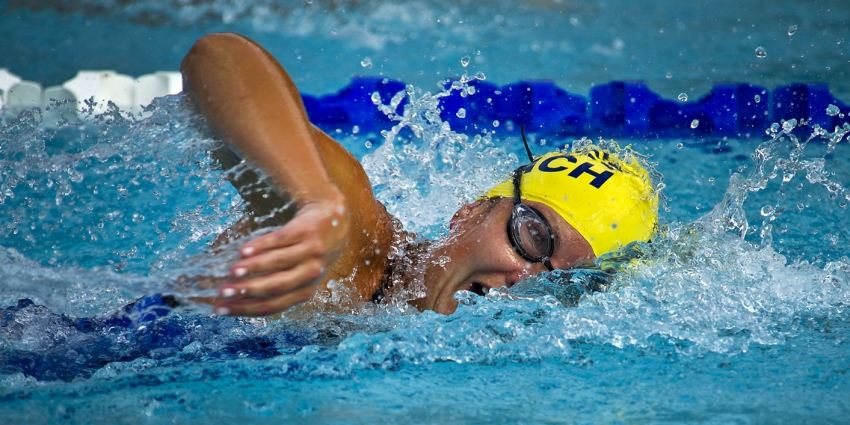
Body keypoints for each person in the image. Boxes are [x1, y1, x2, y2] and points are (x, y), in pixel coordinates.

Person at [180, 33, 659, 317]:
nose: (525, 279)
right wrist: (313, 200)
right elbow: (219, 58)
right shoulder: (351, 242)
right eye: (534, 238)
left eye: (564, 283)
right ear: (470, 211)